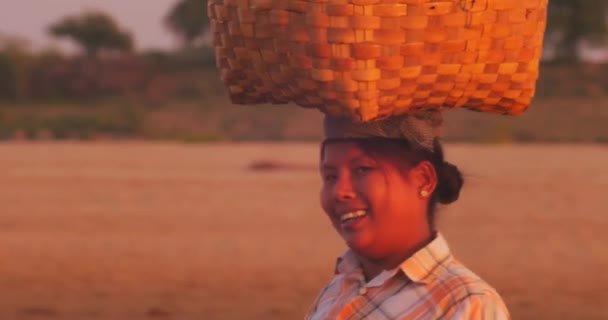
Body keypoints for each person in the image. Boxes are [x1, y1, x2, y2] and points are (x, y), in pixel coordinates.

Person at [305, 111, 510, 320]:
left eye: (362, 170)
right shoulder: (336, 291)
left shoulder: (466, 304)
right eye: (330, 177)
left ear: (423, 180)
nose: (340, 192)